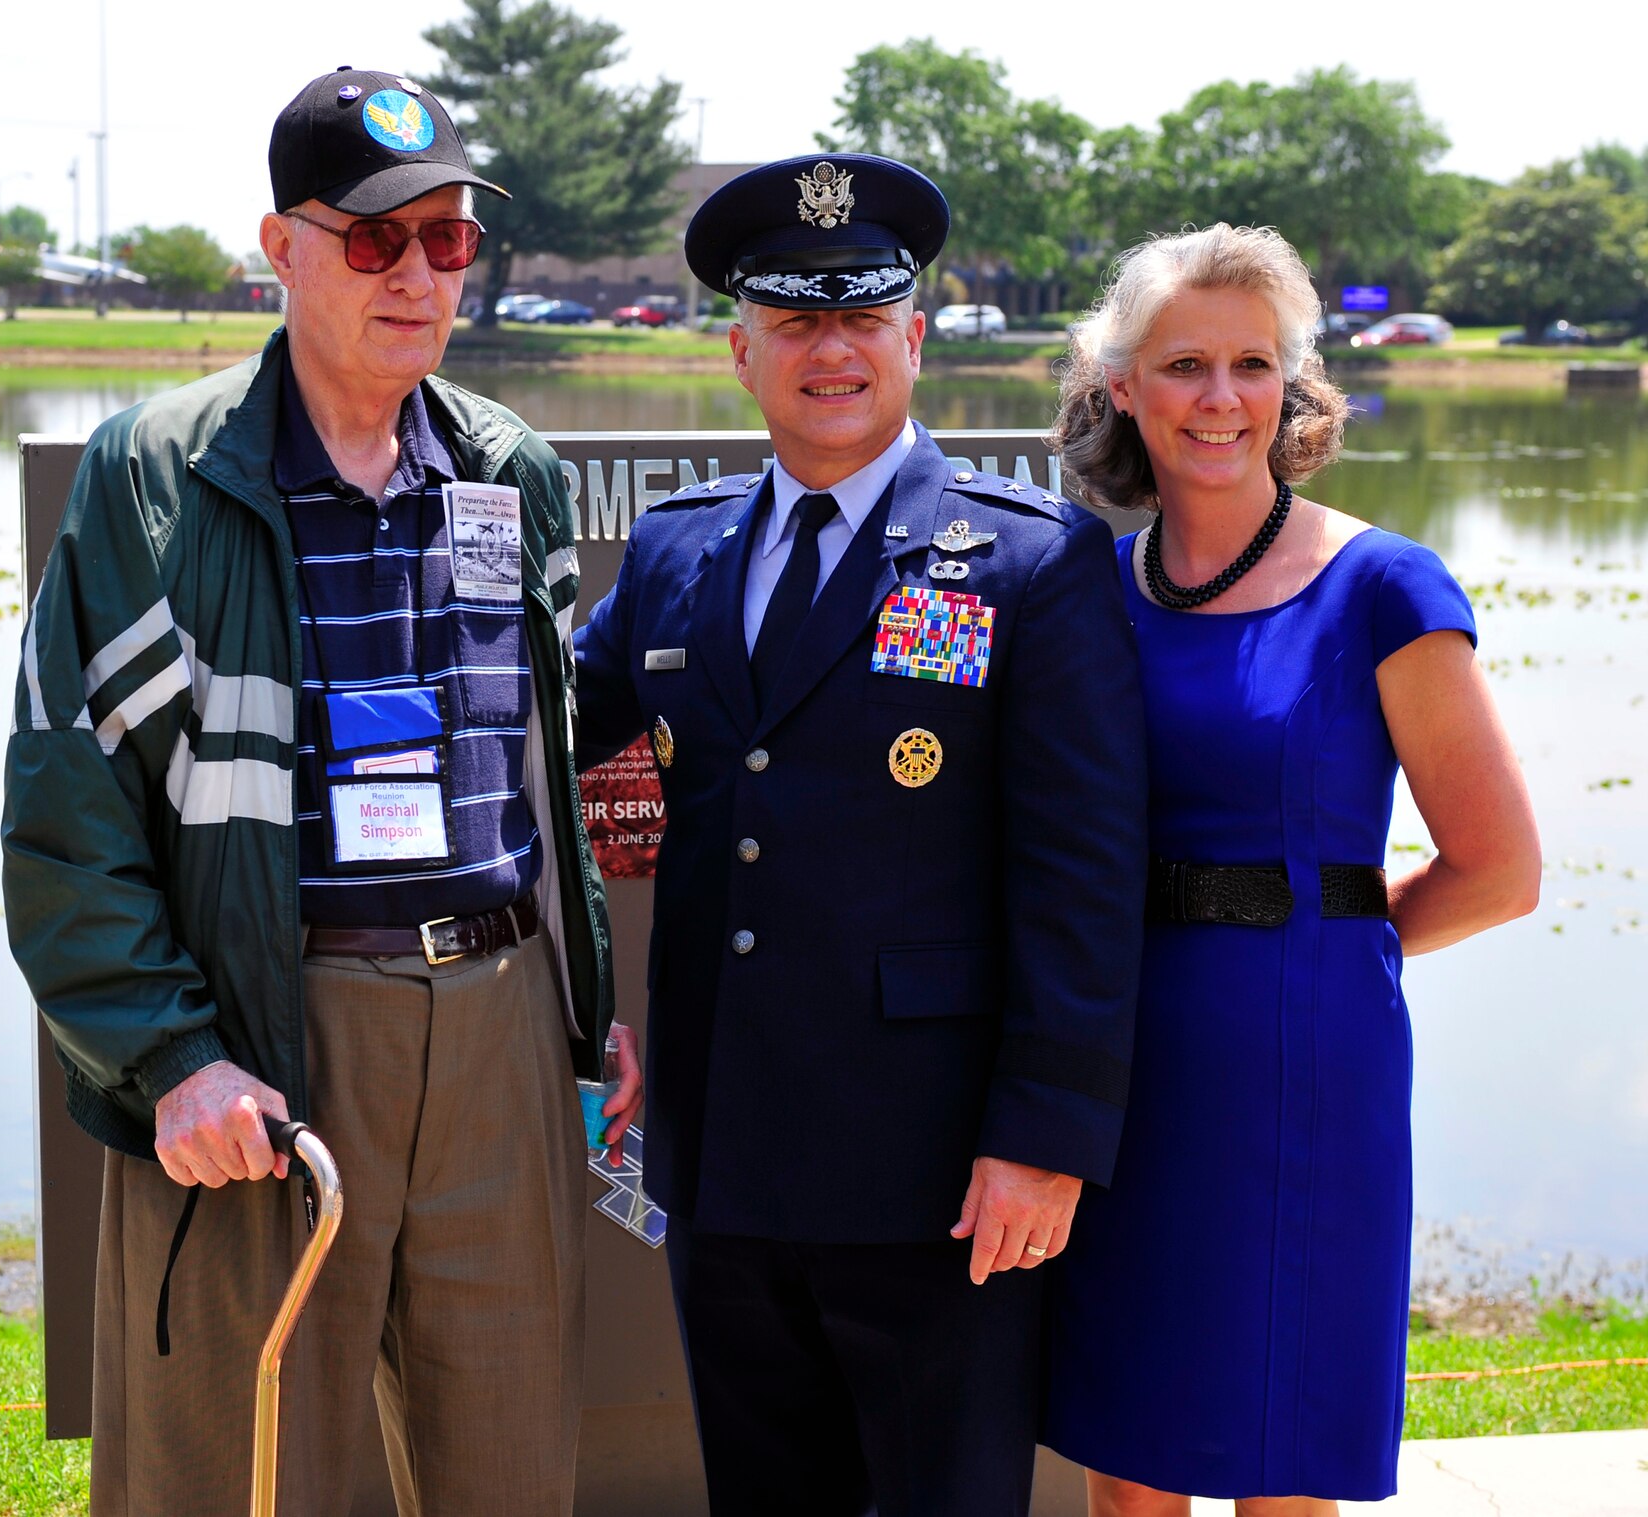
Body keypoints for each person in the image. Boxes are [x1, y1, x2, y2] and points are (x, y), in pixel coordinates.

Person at [1, 67, 630, 1517]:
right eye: (372, 239)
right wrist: (171, 1060)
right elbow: (65, 807)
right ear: (280, 249)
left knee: (512, 1472)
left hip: (497, 1036)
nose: (417, 274)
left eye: (448, 239)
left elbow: (540, 772)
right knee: (246, 1478)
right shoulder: (155, 479)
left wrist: (584, 1011)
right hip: (269, 1046)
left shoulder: (509, 472)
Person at [571, 153, 1149, 1517]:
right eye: (794, 322)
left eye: (860, 318)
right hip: (724, 1154)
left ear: (914, 337)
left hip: (939, 1170)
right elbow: (538, 735)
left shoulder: (1033, 562)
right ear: (741, 350)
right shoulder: (673, 552)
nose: (830, 350)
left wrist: (1047, 1137)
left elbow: (1083, 878)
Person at [1042, 224, 1543, 1516]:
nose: (1220, 399)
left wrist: (1331, 945)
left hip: (1306, 1075)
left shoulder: (1383, 586)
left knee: (1282, 1467)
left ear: (1294, 386)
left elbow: (1500, 867)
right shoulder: (1086, 591)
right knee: (1131, 1464)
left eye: (1253, 364)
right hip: (1123, 1070)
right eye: (1184, 365)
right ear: (1121, 390)